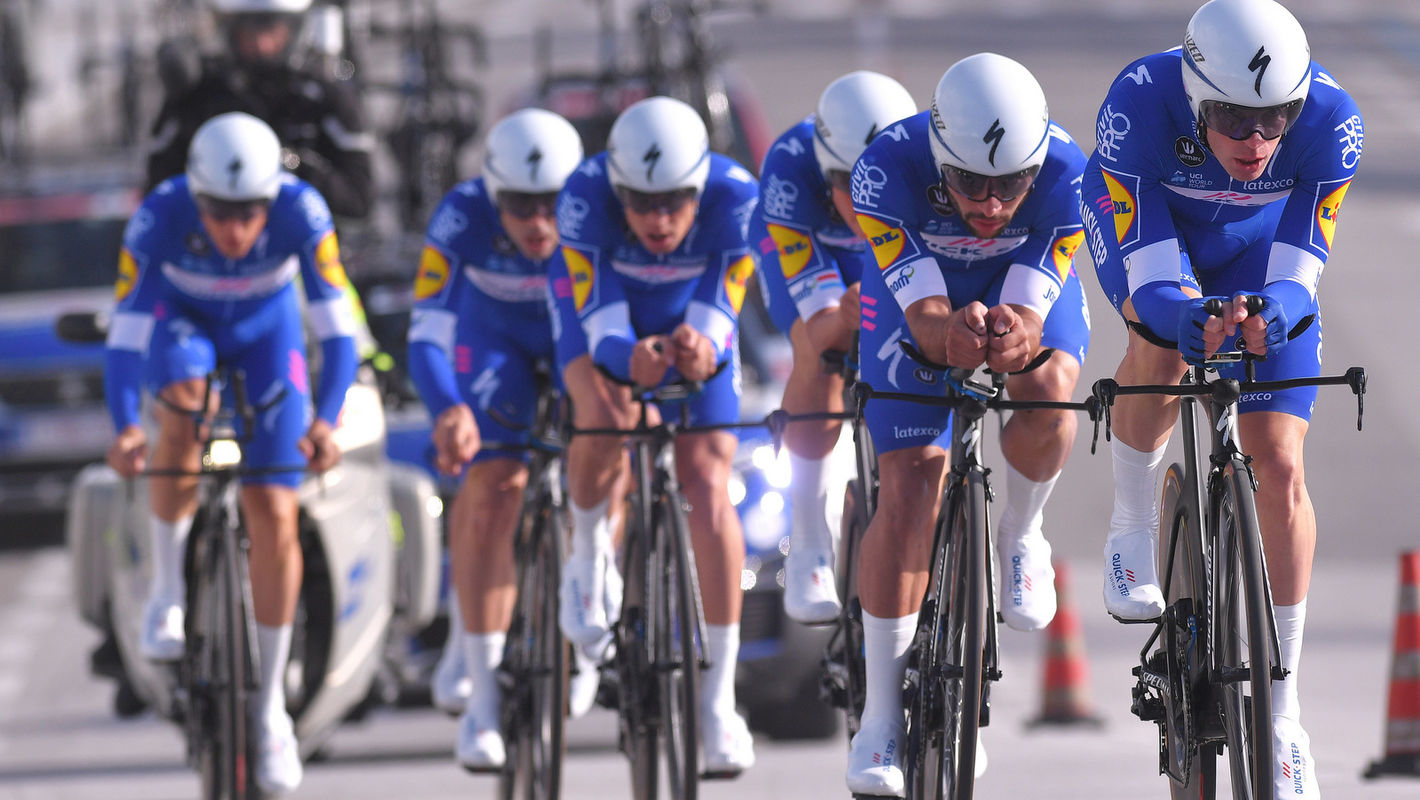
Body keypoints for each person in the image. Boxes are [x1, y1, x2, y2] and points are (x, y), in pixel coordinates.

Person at [1080, 0, 1361, 795]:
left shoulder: (1334, 120)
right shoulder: (1138, 102)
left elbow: (1301, 270)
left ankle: (1284, 706)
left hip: (1256, 254)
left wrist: (1272, 313)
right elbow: (1147, 275)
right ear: (1196, 95)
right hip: (1153, 235)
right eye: (1234, 119)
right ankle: (1133, 525)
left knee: (1279, 464)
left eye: (1276, 120)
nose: (1257, 140)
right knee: (1160, 344)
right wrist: (1183, 318)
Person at [844, 53, 1091, 796]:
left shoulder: (1070, 175)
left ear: (1037, 162)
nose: (989, 205)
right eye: (969, 184)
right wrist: (943, 332)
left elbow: (1033, 313)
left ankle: (1023, 529)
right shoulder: (885, 167)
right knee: (914, 483)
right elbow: (923, 322)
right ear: (937, 153)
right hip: (916, 298)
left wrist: (1017, 334)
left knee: (1045, 382)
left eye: (1010, 184)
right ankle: (880, 716)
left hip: (1014, 286)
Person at [104, 112, 357, 795]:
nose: (235, 230)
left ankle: (270, 705)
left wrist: (327, 422)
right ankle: (167, 591)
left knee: (274, 504)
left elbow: (339, 333)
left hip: (268, 337)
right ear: (195, 194)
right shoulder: (159, 215)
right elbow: (127, 333)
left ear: (271, 199)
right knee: (181, 404)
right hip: (180, 326)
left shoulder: (304, 211)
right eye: (219, 212)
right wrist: (127, 424)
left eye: (250, 213)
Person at [549, 95, 760, 776]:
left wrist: (708, 349)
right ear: (617, 191)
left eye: (674, 201)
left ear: (700, 187)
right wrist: (624, 359)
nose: (658, 219)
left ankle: (718, 699)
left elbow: (725, 302)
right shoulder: (583, 199)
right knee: (606, 415)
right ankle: (586, 550)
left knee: (707, 479)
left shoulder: (738, 198)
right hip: (600, 318)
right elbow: (601, 323)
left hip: (690, 324)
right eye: (641, 203)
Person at [404, 108, 596, 771]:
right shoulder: (460, 218)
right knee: (492, 484)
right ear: (491, 194)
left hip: (578, 342)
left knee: (607, 454)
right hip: (496, 347)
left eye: (553, 204)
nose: (539, 222)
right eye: (520, 205)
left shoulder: (600, 209)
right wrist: (447, 409)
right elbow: (427, 330)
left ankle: (591, 592)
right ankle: (481, 691)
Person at [750, 70, 917, 625]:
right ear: (822, 167)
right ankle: (810, 532)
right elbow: (822, 326)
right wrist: (842, 315)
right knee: (819, 350)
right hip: (811, 252)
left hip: (889, 251)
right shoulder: (790, 169)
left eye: (877, 178)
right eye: (847, 180)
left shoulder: (926, 157)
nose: (862, 196)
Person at [146, 0, 374, 220]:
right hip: (210, 248)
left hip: (300, 247)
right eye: (250, 32)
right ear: (230, 29)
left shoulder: (324, 94)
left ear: (294, 28)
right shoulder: (198, 92)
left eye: (272, 31)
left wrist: (290, 166)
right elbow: (157, 193)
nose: (261, 45)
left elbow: (358, 202)